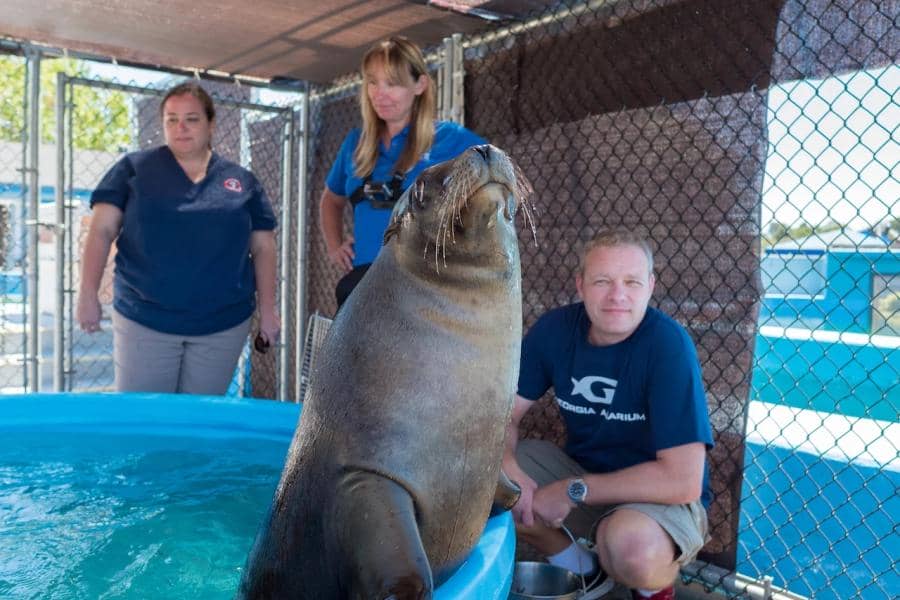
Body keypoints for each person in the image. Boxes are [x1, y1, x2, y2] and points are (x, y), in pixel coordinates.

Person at [502, 229, 714, 600]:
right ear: (581, 285)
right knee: (487, 480)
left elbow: (684, 481)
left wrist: (571, 491)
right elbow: (502, 416)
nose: (618, 296)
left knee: (630, 547)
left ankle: (651, 591)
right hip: (584, 469)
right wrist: (510, 468)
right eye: (603, 281)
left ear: (650, 286)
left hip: (659, 496)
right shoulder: (555, 330)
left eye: (631, 282)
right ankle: (585, 572)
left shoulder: (668, 345)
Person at [76, 81, 279, 395]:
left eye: (192, 119)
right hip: (144, 320)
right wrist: (87, 294)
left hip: (222, 326)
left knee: (198, 424)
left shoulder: (241, 181)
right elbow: (101, 231)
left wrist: (268, 311)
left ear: (211, 124)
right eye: (172, 119)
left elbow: (264, 247)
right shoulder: (133, 170)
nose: (181, 127)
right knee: (147, 422)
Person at [319, 36, 486, 308]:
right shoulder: (355, 143)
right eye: (373, 82)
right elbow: (331, 200)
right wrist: (334, 245)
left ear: (419, 85)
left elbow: (498, 179)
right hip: (365, 284)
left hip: (422, 287)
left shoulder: (449, 139)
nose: (379, 94)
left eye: (392, 83)